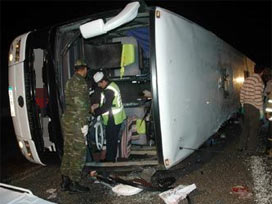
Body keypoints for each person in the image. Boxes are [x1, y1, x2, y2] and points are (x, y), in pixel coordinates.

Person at [60, 59, 90, 193]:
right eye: (86, 69)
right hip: (77, 121)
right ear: (83, 69)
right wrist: (85, 124)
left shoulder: (69, 81)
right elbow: (81, 106)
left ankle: (65, 180)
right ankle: (74, 183)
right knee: (78, 153)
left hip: (67, 120)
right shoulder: (81, 83)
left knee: (68, 150)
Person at [91, 71, 126, 162]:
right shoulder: (112, 85)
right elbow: (107, 103)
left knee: (111, 141)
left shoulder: (109, 90)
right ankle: (110, 158)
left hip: (113, 119)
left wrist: (94, 112)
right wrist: (97, 105)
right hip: (115, 118)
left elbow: (107, 106)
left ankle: (110, 161)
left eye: (99, 84)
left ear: (103, 81)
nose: (99, 86)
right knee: (111, 141)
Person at [239, 65, 265, 155]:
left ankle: (241, 147)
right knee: (254, 130)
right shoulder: (258, 81)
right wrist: (261, 110)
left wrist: (242, 104)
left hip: (246, 106)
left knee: (246, 128)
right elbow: (258, 96)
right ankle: (250, 151)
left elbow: (241, 92)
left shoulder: (247, 79)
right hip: (254, 108)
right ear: (262, 72)